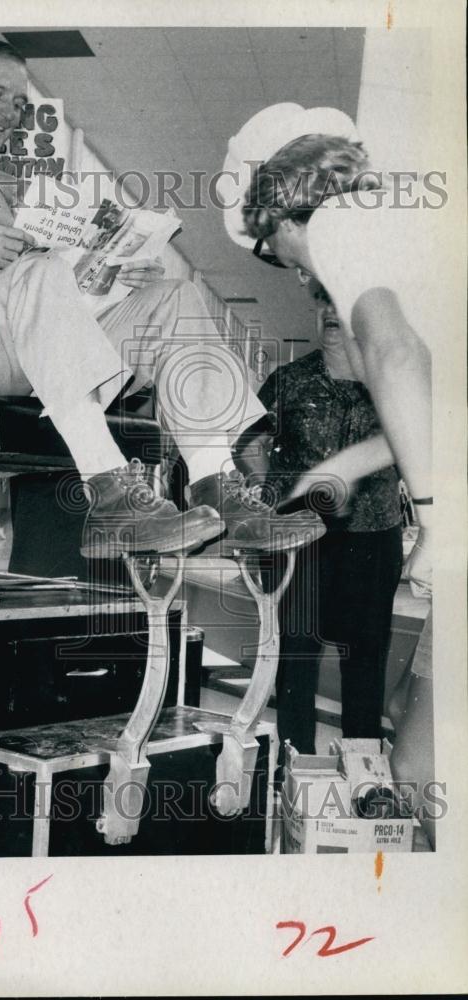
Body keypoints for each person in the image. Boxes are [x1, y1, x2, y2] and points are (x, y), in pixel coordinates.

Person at [0, 39, 321, 560]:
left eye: (19, 104)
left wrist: (114, 277)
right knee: (32, 273)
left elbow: (42, 302)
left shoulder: (9, 194)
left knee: (173, 297)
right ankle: (110, 496)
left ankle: (217, 489)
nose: (9, 114)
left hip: (12, 353)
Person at [220, 102, 436, 843]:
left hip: (374, 534)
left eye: (271, 247)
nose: (296, 277)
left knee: (412, 748)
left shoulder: (344, 233)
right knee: (397, 721)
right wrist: (332, 469)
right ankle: (321, 794)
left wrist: (432, 514)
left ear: (286, 215)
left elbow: (403, 363)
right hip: (313, 537)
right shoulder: (401, 244)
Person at [238, 288, 404, 761]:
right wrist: (273, 492)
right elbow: (245, 442)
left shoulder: (389, 382)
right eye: (323, 303)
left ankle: (362, 777)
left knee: (365, 661)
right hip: (299, 540)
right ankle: (295, 771)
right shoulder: (288, 381)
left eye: (342, 304)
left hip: (373, 539)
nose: (331, 313)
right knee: (295, 658)